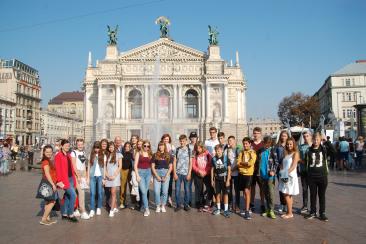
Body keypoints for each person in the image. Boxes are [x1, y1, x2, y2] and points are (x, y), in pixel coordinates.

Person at [305, 133, 329, 222]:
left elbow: (334, 151)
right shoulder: (308, 150)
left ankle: (322, 213)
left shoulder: (324, 149)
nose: (315, 141)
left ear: (320, 140)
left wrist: (327, 141)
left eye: (317, 139)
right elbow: (306, 162)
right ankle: (313, 212)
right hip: (312, 177)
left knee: (322, 195)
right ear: (312, 140)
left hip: (322, 176)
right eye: (314, 139)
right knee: (313, 195)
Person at [55, 139, 78, 222]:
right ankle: (71, 214)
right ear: (61, 146)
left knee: (68, 196)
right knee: (73, 195)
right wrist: (59, 181)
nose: (67, 147)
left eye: (68, 146)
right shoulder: (58, 155)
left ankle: (64, 213)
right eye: (66, 146)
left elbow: (70, 168)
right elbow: (57, 169)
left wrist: (75, 178)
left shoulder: (68, 155)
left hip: (71, 178)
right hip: (64, 180)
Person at [39, 145, 61, 225]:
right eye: (47, 152)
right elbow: (47, 174)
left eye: (50, 152)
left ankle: (47, 218)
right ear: (44, 153)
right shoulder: (45, 162)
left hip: (49, 183)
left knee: (48, 201)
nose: (49, 153)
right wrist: (53, 184)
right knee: (52, 201)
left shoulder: (48, 160)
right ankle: (44, 219)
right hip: (48, 183)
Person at [279, 138, 300, 219]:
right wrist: (281, 170)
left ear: (293, 144)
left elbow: (293, 166)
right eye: (287, 144)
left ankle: (290, 213)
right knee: (287, 194)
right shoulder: (286, 153)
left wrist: (285, 174)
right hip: (284, 175)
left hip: (290, 176)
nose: (289, 145)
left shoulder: (296, 153)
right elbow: (283, 164)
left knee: (287, 194)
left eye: (290, 144)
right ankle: (289, 212)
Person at [259, 136, 278, 219]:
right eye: (265, 144)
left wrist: (273, 171)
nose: (267, 145)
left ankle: (272, 210)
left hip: (270, 176)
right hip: (262, 175)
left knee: (271, 193)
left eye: (268, 144)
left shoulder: (272, 151)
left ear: (270, 144)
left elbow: (276, 162)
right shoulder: (260, 151)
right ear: (263, 143)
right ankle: (267, 209)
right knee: (265, 193)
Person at [237, 137, 256, 220]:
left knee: (247, 191)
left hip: (249, 174)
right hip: (241, 174)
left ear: (250, 144)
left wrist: (243, 163)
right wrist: (244, 164)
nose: (245, 145)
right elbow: (238, 163)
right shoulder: (241, 152)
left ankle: (247, 211)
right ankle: (246, 206)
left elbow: (251, 163)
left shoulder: (252, 152)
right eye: (244, 144)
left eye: (246, 144)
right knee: (244, 193)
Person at [70, 138, 90, 220]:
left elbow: (84, 164)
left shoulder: (84, 152)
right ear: (76, 145)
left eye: (81, 144)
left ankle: (76, 209)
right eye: (78, 144)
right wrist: (78, 176)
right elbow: (74, 165)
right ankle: (83, 211)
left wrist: (85, 176)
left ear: (83, 144)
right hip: (76, 173)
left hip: (83, 172)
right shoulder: (73, 153)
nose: (80, 146)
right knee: (81, 192)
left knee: (78, 192)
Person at [152, 142, 173, 213]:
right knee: (156, 191)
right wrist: (156, 176)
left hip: (166, 173)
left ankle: (163, 205)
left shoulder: (168, 155)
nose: (161, 147)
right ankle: (158, 205)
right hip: (157, 173)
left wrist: (166, 176)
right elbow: (152, 167)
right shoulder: (155, 155)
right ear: (158, 147)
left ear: (164, 147)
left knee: (164, 191)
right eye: (159, 146)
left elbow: (170, 167)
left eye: (162, 146)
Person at [192, 141, 213, 212]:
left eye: (199, 148)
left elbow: (210, 165)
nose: (198, 150)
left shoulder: (207, 154)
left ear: (202, 147)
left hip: (207, 174)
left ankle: (207, 203)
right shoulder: (195, 155)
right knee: (199, 189)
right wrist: (199, 171)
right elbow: (193, 165)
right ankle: (200, 204)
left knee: (209, 188)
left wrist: (205, 172)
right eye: (197, 148)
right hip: (198, 174)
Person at [174, 134, 192, 212]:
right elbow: (174, 162)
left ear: (186, 141)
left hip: (186, 173)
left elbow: (191, 163)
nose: (182, 142)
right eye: (181, 141)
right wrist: (174, 173)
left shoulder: (189, 150)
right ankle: (178, 205)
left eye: (183, 141)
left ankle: (186, 205)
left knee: (187, 190)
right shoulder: (177, 150)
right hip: (178, 173)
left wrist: (189, 173)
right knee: (177, 190)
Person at [211, 145, 231, 218]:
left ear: (222, 150)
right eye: (216, 151)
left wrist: (228, 180)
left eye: (219, 150)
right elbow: (212, 170)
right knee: (217, 194)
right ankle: (218, 209)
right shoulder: (213, 159)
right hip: (217, 179)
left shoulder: (226, 158)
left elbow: (229, 169)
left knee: (225, 194)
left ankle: (226, 210)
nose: (217, 152)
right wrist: (212, 180)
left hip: (224, 179)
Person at [134, 140, 153, 217]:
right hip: (140, 173)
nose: (146, 147)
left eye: (148, 146)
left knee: (146, 191)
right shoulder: (139, 153)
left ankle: (145, 207)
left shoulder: (150, 154)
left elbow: (152, 166)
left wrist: (152, 176)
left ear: (149, 147)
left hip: (148, 173)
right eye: (145, 145)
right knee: (143, 192)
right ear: (142, 146)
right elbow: (135, 165)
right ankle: (146, 208)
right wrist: (137, 175)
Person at [105, 141, 122, 217]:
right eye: (109, 147)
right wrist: (107, 175)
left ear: (114, 147)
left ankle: (111, 210)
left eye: (112, 147)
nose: (110, 148)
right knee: (109, 193)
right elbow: (104, 167)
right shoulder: (106, 155)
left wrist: (114, 176)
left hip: (115, 176)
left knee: (113, 192)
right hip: (108, 176)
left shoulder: (118, 155)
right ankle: (114, 206)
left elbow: (120, 166)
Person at [87, 141, 105, 217]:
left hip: (100, 176)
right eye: (95, 147)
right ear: (93, 148)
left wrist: (104, 178)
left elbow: (104, 167)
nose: (97, 149)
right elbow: (88, 167)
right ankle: (92, 209)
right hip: (92, 176)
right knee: (92, 193)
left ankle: (98, 208)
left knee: (100, 193)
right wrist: (87, 177)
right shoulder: (90, 155)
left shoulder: (103, 156)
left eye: (98, 147)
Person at [274, 130, 290, 214]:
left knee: (287, 187)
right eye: (282, 136)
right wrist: (278, 166)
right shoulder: (277, 146)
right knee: (281, 187)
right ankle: (282, 203)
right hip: (280, 169)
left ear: (287, 137)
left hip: (288, 169)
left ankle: (287, 204)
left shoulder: (290, 145)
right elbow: (275, 157)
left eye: (285, 136)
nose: (283, 137)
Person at [250, 127, 265, 213]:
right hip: (251, 169)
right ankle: (252, 203)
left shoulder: (263, 144)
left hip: (260, 170)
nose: (256, 135)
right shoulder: (250, 143)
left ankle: (262, 204)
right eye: (254, 133)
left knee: (261, 187)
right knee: (252, 187)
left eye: (258, 133)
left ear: (260, 134)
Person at [226, 136, 242, 213]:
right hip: (229, 174)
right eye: (229, 141)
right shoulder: (227, 150)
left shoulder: (238, 150)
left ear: (234, 141)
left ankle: (237, 205)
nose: (230, 142)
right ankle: (230, 204)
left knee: (237, 190)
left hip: (236, 173)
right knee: (229, 190)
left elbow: (239, 162)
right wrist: (229, 170)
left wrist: (233, 169)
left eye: (231, 140)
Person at [298, 131, 312, 214]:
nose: (306, 138)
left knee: (313, 190)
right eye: (304, 136)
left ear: (310, 136)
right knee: (305, 189)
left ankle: (313, 207)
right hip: (304, 171)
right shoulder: (301, 147)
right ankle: (305, 205)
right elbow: (297, 158)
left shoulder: (314, 146)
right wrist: (302, 161)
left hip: (313, 172)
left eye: (307, 136)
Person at [162, 133, 176, 208]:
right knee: (162, 183)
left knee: (169, 184)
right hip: (162, 168)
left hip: (169, 167)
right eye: (164, 139)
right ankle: (163, 198)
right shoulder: (160, 146)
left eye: (167, 139)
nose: (166, 140)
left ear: (169, 140)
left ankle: (169, 198)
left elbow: (174, 157)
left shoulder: (172, 147)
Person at [120, 142, 134, 209]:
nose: (127, 147)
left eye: (128, 146)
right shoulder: (121, 154)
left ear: (130, 147)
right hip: (123, 171)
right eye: (126, 146)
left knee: (132, 187)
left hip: (130, 171)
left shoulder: (132, 154)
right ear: (124, 147)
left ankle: (133, 203)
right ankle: (122, 202)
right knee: (123, 187)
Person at [100, 139, 110, 211]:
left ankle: (107, 203)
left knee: (107, 190)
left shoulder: (108, 153)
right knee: (99, 190)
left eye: (105, 144)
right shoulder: (98, 152)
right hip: (99, 173)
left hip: (107, 173)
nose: (104, 145)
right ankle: (98, 204)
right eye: (103, 144)